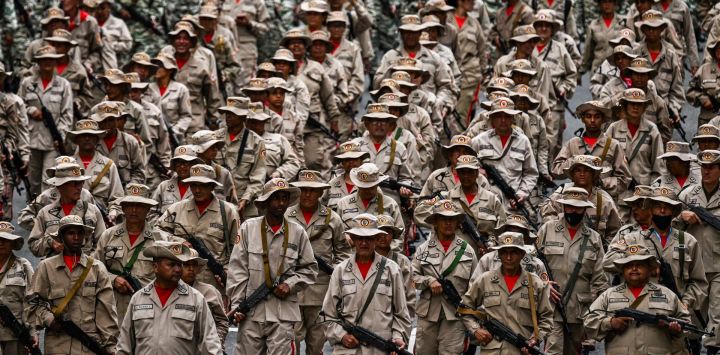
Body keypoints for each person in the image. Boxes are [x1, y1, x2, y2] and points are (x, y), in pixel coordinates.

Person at [226, 178, 318, 355]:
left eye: (284, 198)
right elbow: (237, 271)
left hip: (283, 313)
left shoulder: (297, 232)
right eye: (276, 198)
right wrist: (239, 306)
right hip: (252, 311)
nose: (281, 203)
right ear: (266, 201)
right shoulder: (248, 228)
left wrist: (290, 285)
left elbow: (310, 269)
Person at [602, 187, 708, 340]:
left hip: (674, 316)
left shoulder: (688, 242)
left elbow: (699, 283)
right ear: (650, 210)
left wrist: (685, 303)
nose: (662, 211)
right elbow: (608, 262)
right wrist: (642, 263)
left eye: (667, 207)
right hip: (638, 313)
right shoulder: (632, 239)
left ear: (674, 211)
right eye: (658, 206)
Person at [27, 215, 118, 355]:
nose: (76, 237)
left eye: (80, 233)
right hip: (57, 345)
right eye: (70, 233)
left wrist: (111, 347)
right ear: (61, 237)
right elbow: (32, 302)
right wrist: (48, 319)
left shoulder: (96, 268)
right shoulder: (46, 267)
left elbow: (106, 311)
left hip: (89, 345)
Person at [322, 213, 411, 353]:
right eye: (360, 238)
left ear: (376, 239)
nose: (364, 243)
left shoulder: (392, 269)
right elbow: (327, 315)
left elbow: (401, 313)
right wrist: (342, 336)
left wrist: (398, 336)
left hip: (381, 349)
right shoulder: (340, 270)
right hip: (348, 350)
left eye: (369, 238)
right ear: (353, 239)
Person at [116, 241, 223, 354]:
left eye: (180, 264)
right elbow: (124, 346)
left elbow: (211, 345)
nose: (178, 269)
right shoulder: (138, 299)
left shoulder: (196, 299)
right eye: (171, 265)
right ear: (156, 267)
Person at [537, 187, 609, 354]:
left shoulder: (593, 238)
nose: (573, 210)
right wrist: (543, 282)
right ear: (563, 206)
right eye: (569, 206)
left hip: (580, 311)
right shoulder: (547, 230)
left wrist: (595, 316)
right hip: (551, 307)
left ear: (584, 208)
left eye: (578, 207)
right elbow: (531, 264)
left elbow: (600, 280)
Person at [286, 170, 351, 355]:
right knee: (291, 343)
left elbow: (343, 252)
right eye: (304, 189)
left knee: (316, 346)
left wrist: (337, 277)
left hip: (320, 291)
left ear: (321, 192)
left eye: (312, 190)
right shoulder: (287, 216)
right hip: (292, 289)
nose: (307, 194)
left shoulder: (332, 219)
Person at [585, 244, 691, 354]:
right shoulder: (609, 295)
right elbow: (588, 322)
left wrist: (677, 330)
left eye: (639, 265)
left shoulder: (668, 294)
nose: (634, 268)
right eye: (629, 265)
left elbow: (688, 324)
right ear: (623, 269)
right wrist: (610, 323)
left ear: (649, 268)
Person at [460, 231, 553, 354]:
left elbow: (546, 317)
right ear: (499, 254)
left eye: (513, 252)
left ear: (522, 254)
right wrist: (476, 330)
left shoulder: (535, 283)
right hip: (491, 351)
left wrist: (536, 338)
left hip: (521, 350)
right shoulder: (485, 279)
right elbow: (464, 308)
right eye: (504, 252)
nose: (508, 257)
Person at [156, 164, 240, 293]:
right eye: (193, 185)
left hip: (213, 282)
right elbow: (157, 231)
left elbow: (237, 250)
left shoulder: (228, 212)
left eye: (202, 185)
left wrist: (227, 272)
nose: (197, 190)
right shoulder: (177, 209)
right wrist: (178, 242)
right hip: (179, 280)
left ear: (212, 186)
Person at [413, 199, 477, 355]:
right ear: (435, 221)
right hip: (428, 314)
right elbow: (412, 277)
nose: (448, 223)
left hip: (455, 316)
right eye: (443, 219)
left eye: (452, 219)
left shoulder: (467, 250)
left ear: (457, 223)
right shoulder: (423, 249)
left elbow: (476, 287)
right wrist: (428, 281)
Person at [93, 183, 164, 321]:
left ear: (148, 209)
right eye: (129, 205)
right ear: (123, 208)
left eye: (139, 206)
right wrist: (113, 279)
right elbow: (95, 269)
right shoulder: (108, 236)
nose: (133, 210)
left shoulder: (160, 239)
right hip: (113, 310)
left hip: (148, 310)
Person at [416, 155, 506, 257]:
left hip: (485, 255)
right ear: (457, 173)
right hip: (454, 257)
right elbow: (419, 212)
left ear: (477, 173)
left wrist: (492, 244)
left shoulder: (492, 199)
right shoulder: (446, 197)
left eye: (470, 172)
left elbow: (503, 229)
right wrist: (444, 220)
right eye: (462, 172)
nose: (466, 176)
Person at [677, 150, 720, 353]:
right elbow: (668, 227)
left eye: (712, 167)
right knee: (694, 312)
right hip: (693, 264)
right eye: (703, 166)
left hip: (719, 264)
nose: (707, 171)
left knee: (718, 312)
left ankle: (712, 349)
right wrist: (681, 217)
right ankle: (693, 346)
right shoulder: (687, 194)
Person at [18, 45, 73, 196]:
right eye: (43, 60)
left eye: (51, 59)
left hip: (52, 142)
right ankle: (32, 215)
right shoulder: (27, 83)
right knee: (32, 182)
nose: (47, 62)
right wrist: (31, 110)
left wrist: (60, 136)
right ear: (38, 62)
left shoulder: (63, 85)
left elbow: (67, 115)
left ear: (56, 62)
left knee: (48, 181)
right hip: (31, 139)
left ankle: (46, 216)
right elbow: (18, 107)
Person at [605, 88, 665, 221]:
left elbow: (658, 167)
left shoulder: (652, 131)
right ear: (625, 106)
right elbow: (605, 162)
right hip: (618, 195)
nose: (635, 107)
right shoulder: (613, 129)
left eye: (639, 104)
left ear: (644, 107)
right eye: (632, 104)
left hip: (642, 197)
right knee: (617, 235)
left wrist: (651, 194)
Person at [472, 97, 539, 212]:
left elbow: (531, 173)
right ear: (492, 118)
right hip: (485, 203)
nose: (503, 120)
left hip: (513, 204)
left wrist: (522, 194)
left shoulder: (523, 141)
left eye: (507, 116)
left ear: (513, 118)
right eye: (499, 116)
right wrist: (476, 172)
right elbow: (465, 169)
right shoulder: (479, 141)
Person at [552, 100, 630, 199]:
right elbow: (556, 170)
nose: (592, 120)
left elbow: (625, 179)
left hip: (603, 202)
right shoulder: (573, 144)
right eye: (588, 116)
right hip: (576, 201)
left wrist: (603, 183)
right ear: (583, 119)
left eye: (597, 117)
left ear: (603, 119)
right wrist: (574, 161)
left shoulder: (613, 145)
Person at [28, 162, 106, 257]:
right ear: (60, 186)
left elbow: (102, 243)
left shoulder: (92, 210)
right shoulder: (45, 213)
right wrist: (50, 243)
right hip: (55, 268)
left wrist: (90, 262)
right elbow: (33, 246)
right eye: (74, 184)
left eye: (81, 183)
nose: (79, 188)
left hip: (85, 268)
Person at [543, 155, 621, 242]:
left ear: (594, 174)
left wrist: (604, 249)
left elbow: (615, 231)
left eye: (587, 170)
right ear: (572, 174)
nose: (582, 174)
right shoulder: (561, 194)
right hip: (562, 244)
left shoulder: (604, 200)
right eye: (577, 170)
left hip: (592, 249)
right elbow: (548, 217)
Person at [165, 21, 222, 135]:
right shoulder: (165, 62)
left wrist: (214, 119)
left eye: (186, 39)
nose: (181, 42)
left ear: (192, 42)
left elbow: (212, 95)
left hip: (193, 125)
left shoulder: (201, 66)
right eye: (178, 38)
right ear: (172, 41)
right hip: (167, 123)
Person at [214, 97, 266, 218]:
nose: (228, 116)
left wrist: (245, 199)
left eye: (233, 114)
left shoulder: (256, 141)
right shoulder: (214, 138)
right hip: (217, 199)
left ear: (243, 117)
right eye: (227, 113)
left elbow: (258, 177)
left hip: (244, 203)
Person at [68, 119, 123, 216]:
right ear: (76, 140)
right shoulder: (67, 165)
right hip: (71, 217)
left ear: (97, 139)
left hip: (100, 217)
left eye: (91, 136)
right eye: (83, 136)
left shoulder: (108, 165)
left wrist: (113, 213)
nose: (87, 138)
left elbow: (117, 198)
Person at [335, 163, 404, 239]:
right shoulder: (343, 204)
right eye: (363, 188)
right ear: (357, 185)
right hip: (350, 250)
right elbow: (337, 233)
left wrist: (391, 250)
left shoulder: (390, 204)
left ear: (377, 184)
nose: (367, 191)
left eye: (371, 187)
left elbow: (399, 235)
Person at [180, 248, 230, 349]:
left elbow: (222, 322)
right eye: (186, 265)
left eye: (194, 265)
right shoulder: (171, 292)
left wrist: (216, 345)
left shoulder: (209, 291)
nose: (191, 269)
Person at [0, 222, 37, 355]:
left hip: (15, 334)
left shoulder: (23, 265)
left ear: (13, 244)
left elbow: (31, 299)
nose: (1, 243)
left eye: (5, 240)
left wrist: (32, 331)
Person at [0, 62, 30, 221]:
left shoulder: (12, 101)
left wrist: (24, 156)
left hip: (5, 162)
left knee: (4, 212)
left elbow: (19, 131)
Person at [91, 101, 147, 185]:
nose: (107, 124)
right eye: (103, 120)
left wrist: (128, 191)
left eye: (110, 120)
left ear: (117, 120)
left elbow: (139, 172)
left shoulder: (130, 142)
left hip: (125, 193)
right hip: (97, 193)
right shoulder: (90, 142)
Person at [244, 102, 302, 180]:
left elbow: (293, 162)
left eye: (258, 121)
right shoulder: (238, 141)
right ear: (246, 123)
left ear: (264, 121)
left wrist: (279, 173)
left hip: (271, 183)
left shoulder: (278, 139)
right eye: (251, 121)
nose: (255, 125)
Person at [148, 52, 193, 144]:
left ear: (170, 70)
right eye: (155, 65)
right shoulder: (148, 88)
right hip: (152, 138)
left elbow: (186, 116)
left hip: (174, 139)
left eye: (161, 65)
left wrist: (174, 133)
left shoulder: (181, 89)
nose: (157, 68)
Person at [150, 145, 201, 218]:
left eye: (186, 163)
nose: (182, 166)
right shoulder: (163, 187)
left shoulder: (202, 186)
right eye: (178, 163)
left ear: (193, 164)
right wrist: (160, 228)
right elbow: (151, 213)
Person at [190, 130, 239, 204]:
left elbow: (233, 203)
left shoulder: (223, 173)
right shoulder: (186, 171)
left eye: (216, 146)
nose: (215, 149)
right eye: (211, 147)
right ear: (198, 149)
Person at [325, 142, 369, 210]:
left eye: (354, 158)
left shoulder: (370, 184)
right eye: (347, 159)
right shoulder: (332, 184)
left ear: (361, 161)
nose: (351, 162)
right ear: (342, 162)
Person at [688, 38, 720, 126]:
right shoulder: (704, 69)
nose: (719, 50)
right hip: (707, 122)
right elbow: (690, 91)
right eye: (717, 48)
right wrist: (703, 99)